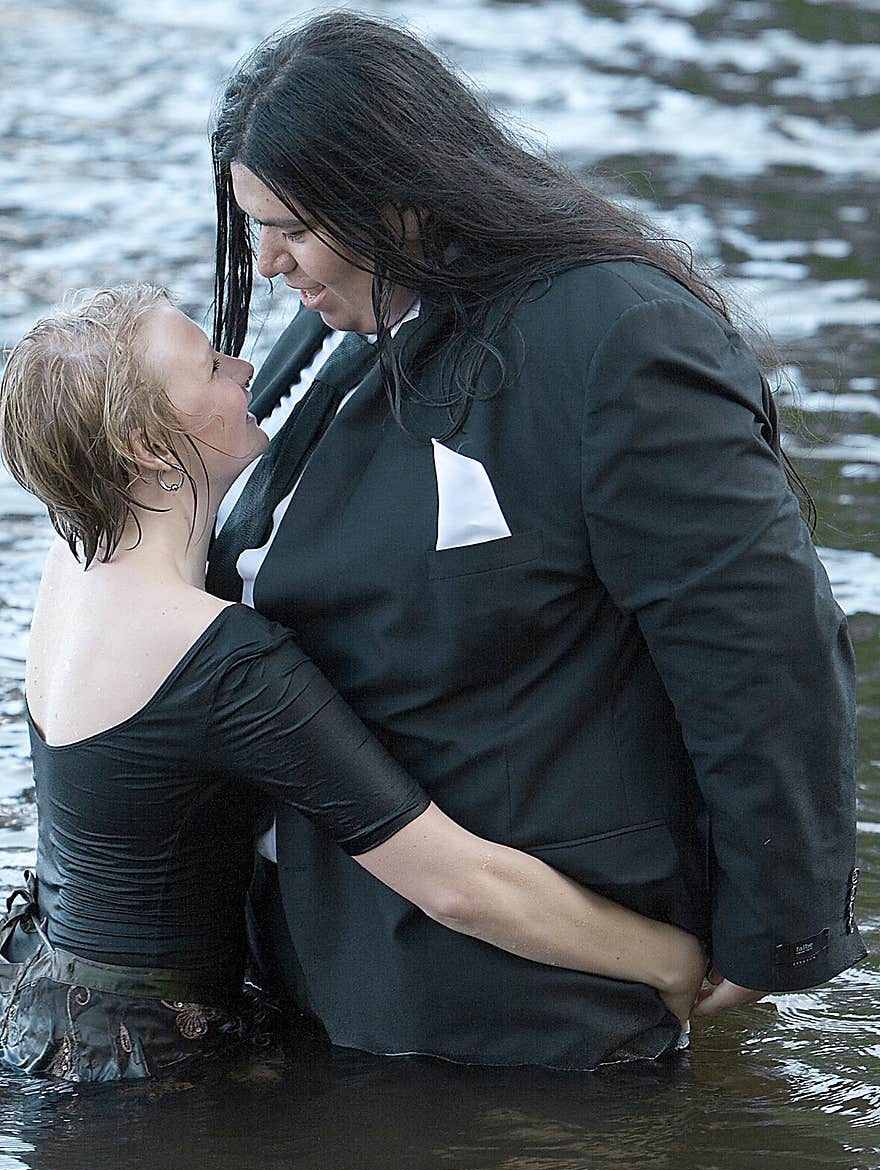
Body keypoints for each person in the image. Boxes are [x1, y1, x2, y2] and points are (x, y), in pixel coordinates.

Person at [205, 11, 867, 1071]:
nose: (269, 261)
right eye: (252, 227)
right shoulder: (349, 317)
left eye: (287, 224)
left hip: (520, 1004)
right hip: (324, 968)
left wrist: (778, 929)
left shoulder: (611, 338)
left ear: (401, 196)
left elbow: (761, 649)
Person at [0, 284, 708, 1083]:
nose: (244, 369)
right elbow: (456, 886)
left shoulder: (78, 558)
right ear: (149, 448)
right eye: (210, 365)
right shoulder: (212, 654)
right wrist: (669, 957)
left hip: (44, 991)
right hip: (144, 1065)